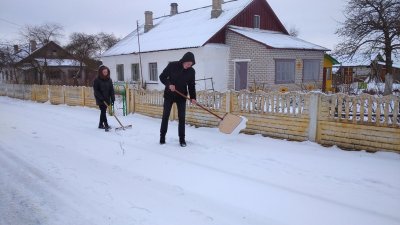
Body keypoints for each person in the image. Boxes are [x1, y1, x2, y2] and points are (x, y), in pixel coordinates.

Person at [159, 52, 197, 147]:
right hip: (169, 95)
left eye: (191, 65)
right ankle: (162, 137)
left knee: (182, 118)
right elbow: (162, 77)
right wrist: (169, 84)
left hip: (181, 97)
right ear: (184, 60)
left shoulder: (191, 71)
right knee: (165, 116)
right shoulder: (172, 65)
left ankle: (182, 139)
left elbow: (191, 86)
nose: (189, 66)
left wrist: (193, 98)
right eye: (188, 64)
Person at [93, 65, 115, 130]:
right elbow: (96, 90)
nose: (106, 73)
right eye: (104, 72)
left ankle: (100, 124)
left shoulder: (109, 80)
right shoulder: (97, 80)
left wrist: (113, 98)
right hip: (100, 98)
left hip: (107, 98)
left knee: (103, 111)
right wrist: (101, 98)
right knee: (103, 111)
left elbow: (111, 89)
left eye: (106, 72)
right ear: (101, 72)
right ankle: (106, 124)